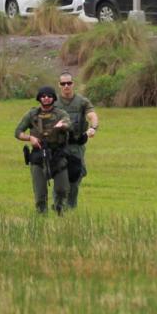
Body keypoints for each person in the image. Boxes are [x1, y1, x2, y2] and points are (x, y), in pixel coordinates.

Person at [16, 85, 71, 214]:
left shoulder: (60, 113)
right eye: (43, 96)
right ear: (39, 98)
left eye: (49, 96)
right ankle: (41, 217)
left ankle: (60, 212)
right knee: (40, 192)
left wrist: (62, 125)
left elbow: (69, 124)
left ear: (53, 98)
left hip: (58, 154)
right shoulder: (32, 114)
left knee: (62, 189)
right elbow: (18, 132)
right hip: (38, 155)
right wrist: (30, 138)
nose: (46, 98)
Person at [53, 72, 98, 210]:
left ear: (73, 84)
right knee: (59, 178)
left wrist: (93, 128)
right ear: (59, 85)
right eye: (63, 84)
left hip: (76, 146)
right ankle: (58, 207)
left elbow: (92, 115)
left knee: (75, 177)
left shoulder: (82, 102)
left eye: (69, 83)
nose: (66, 86)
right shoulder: (54, 103)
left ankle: (71, 208)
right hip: (58, 146)